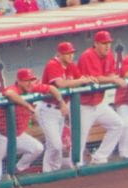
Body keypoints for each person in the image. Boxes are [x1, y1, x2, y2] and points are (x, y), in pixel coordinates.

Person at [0, 68, 67, 183]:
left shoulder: (33, 87)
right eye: (26, 80)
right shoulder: (14, 88)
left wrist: (61, 102)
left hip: (16, 135)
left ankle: (16, 170)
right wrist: (27, 105)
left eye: (31, 80)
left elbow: (52, 88)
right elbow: (9, 93)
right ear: (19, 81)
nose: (30, 83)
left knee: (37, 148)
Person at [39, 41, 92, 172]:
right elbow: (60, 84)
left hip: (60, 111)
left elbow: (82, 79)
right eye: (67, 53)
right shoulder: (53, 64)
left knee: (54, 145)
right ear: (60, 54)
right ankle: (48, 171)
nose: (70, 56)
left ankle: (51, 171)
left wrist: (88, 79)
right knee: (55, 145)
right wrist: (81, 81)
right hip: (47, 109)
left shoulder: (71, 66)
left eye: (72, 53)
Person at [76, 30, 126, 165]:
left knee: (118, 124)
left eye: (109, 43)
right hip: (83, 105)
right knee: (80, 138)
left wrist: (112, 78)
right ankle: (75, 166)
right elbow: (96, 78)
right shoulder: (87, 56)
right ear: (96, 44)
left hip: (98, 103)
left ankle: (99, 157)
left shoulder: (109, 56)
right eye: (104, 43)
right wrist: (113, 80)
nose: (107, 46)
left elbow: (110, 75)